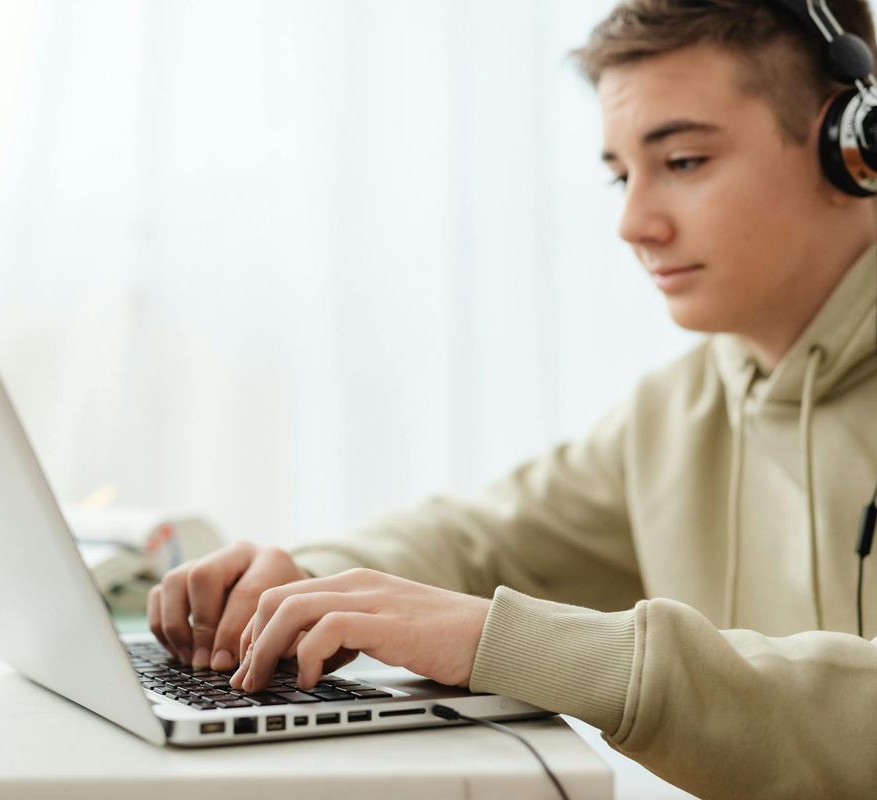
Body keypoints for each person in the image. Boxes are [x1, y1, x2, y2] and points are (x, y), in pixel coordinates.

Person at [146, 1, 877, 796]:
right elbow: (480, 541)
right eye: (620, 175)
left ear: (854, 148)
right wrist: (300, 587)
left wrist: (507, 640)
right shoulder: (682, 407)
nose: (634, 222)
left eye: (685, 162)